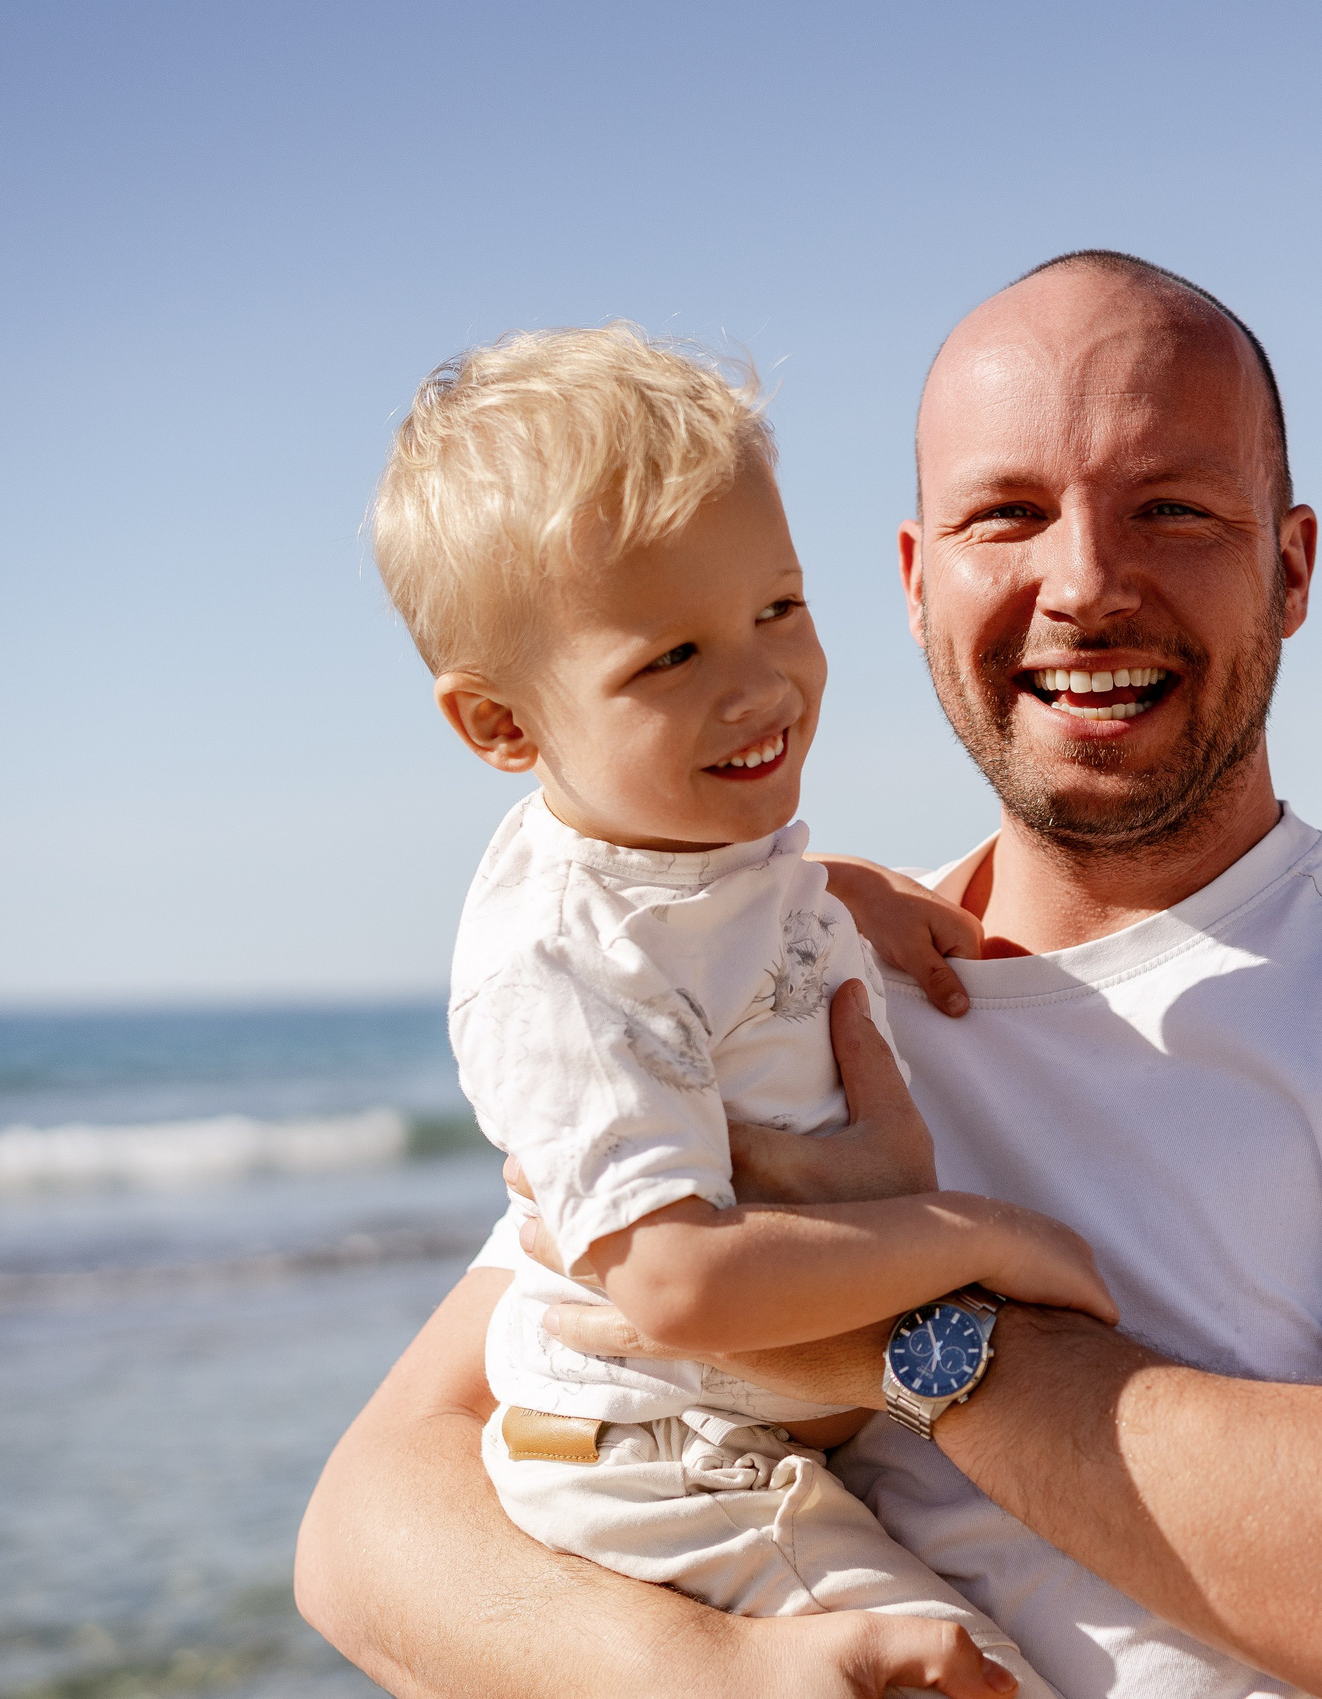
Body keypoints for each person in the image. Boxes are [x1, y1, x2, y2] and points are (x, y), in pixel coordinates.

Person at [298, 251, 1322, 1699]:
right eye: (1006, 516)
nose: (1084, 585)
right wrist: (711, 1667)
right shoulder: (768, 966)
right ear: (914, 581)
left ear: (1290, 567)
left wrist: (906, 1334)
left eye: (1175, 509)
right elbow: (375, 1521)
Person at [367, 323, 1118, 1699]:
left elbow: (707, 914)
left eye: (780, 608)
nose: (759, 681)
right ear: (501, 729)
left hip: (750, 1439)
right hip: (674, 1468)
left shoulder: (681, 840)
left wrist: (838, 893)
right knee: (968, 1679)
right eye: (670, 658)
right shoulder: (554, 963)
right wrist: (982, 1238)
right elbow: (674, 1282)